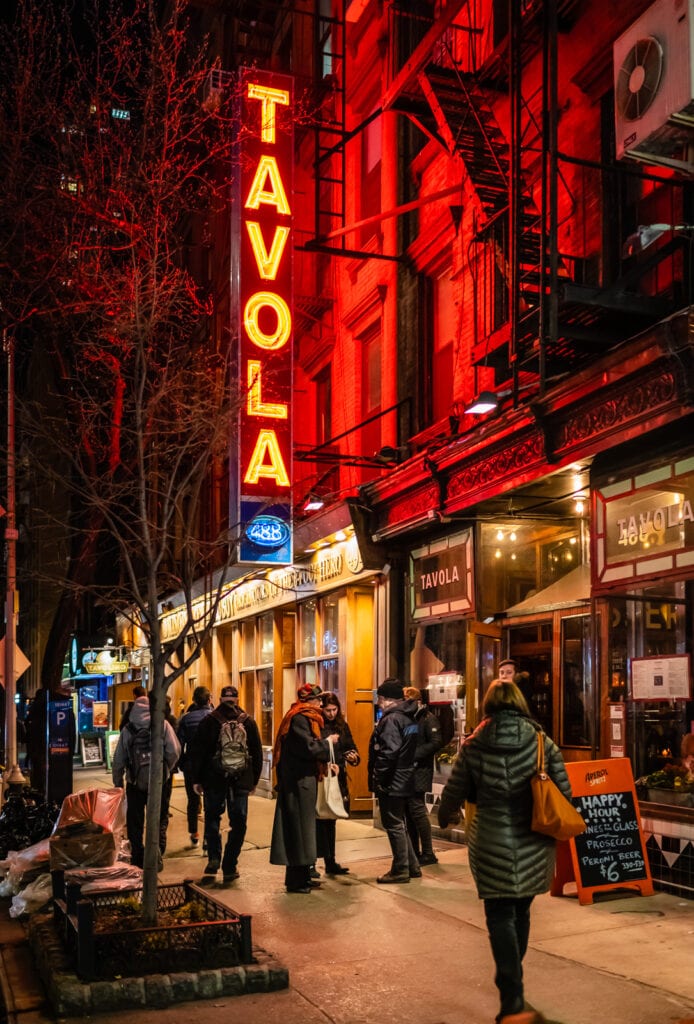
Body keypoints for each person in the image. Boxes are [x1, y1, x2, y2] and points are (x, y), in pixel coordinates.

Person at [437, 679, 571, 1024]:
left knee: (499, 915)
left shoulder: (475, 744)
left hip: (491, 837)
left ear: (490, 707)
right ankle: (513, 984)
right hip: (532, 837)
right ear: (520, 703)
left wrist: (445, 813)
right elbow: (565, 793)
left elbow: (455, 789)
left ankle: (511, 993)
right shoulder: (542, 741)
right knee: (521, 910)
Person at [190, 684, 263, 885]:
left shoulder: (209, 721)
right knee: (239, 822)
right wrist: (253, 781)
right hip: (241, 780)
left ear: (220, 699)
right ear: (237, 699)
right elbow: (256, 753)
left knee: (213, 818)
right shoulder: (248, 721)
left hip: (214, 779)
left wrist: (197, 779)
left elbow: (198, 753)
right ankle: (230, 864)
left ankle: (214, 859)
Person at [270, 683, 339, 894]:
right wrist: (327, 743)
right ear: (308, 701)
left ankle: (302, 877)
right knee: (298, 830)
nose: (320, 703)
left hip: (302, 781)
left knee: (302, 830)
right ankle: (296, 881)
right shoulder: (299, 718)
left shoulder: (305, 717)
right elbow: (308, 748)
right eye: (318, 700)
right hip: (297, 783)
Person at [111, 692, 180, 871]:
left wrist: (118, 783)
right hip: (159, 782)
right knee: (159, 817)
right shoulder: (162, 726)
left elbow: (118, 759)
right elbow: (174, 751)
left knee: (135, 821)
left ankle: (138, 856)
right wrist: (165, 770)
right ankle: (156, 852)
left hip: (135, 782)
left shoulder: (128, 730)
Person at [367, 678, 420, 884]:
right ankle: (411, 866)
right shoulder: (408, 717)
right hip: (405, 776)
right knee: (400, 823)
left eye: (379, 698)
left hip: (392, 779)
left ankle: (400, 869)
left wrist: (379, 779)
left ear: (387, 699)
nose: (378, 702)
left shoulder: (391, 720)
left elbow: (389, 752)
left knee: (393, 824)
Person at [314, 691, 360, 877]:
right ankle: (312, 862)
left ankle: (330, 860)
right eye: (328, 710)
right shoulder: (316, 724)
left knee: (331, 819)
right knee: (317, 818)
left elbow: (351, 746)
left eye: (334, 710)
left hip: (337, 778)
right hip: (320, 776)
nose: (331, 713)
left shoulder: (342, 725)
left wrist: (353, 757)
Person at [402, 685, 443, 866]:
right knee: (411, 812)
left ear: (418, 701)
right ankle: (416, 851)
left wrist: (414, 754)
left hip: (421, 770)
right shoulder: (410, 718)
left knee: (417, 811)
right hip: (410, 770)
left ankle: (427, 852)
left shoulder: (427, 718)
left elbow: (436, 742)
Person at [176, 685, 213, 846]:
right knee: (211, 802)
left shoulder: (186, 719)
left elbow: (179, 744)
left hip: (191, 765)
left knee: (192, 800)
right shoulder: (216, 717)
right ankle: (208, 837)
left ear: (194, 701)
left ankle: (194, 833)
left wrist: (182, 763)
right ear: (209, 699)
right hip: (211, 766)